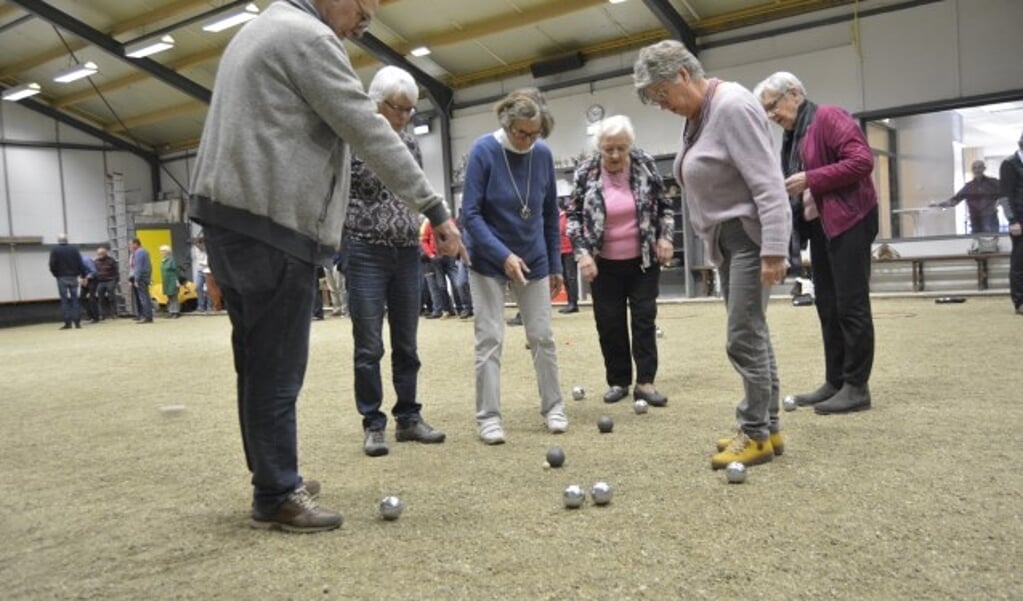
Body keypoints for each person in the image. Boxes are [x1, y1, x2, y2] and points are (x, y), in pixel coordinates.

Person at [188, 0, 464, 533]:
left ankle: (271, 473)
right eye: (364, 6)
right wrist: (434, 207)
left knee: (255, 356)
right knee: (278, 363)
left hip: (229, 218)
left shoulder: (260, 28)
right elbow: (368, 129)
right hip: (269, 224)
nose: (366, 21)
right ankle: (275, 492)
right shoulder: (309, 39)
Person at [634, 41, 790, 469]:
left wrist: (775, 249)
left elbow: (769, 183)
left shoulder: (732, 106)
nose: (662, 106)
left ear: (683, 75)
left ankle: (755, 433)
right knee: (753, 333)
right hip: (728, 241)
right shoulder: (699, 115)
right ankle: (769, 426)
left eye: (662, 95)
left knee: (742, 337)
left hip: (749, 239)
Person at [754, 71, 878, 415]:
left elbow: (862, 161)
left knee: (851, 305)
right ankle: (835, 381)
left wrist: (812, 178)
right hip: (823, 227)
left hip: (850, 221)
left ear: (794, 93)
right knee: (827, 305)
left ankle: (856, 387)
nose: (772, 116)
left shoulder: (829, 117)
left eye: (773, 106)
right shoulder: (793, 135)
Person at [342, 65, 447, 457]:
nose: (404, 118)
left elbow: (416, 190)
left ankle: (408, 418)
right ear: (376, 102)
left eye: (409, 111)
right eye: (397, 108)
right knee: (368, 346)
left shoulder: (410, 142)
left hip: (406, 251)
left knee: (407, 342)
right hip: (364, 248)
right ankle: (373, 423)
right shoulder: (353, 138)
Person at [461, 88, 567, 444]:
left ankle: (554, 407)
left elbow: (549, 214)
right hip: (489, 259)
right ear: (507, 124)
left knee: (542, 336)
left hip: (534, 257)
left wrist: (555, 265)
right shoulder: (483, 151)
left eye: (534, 134)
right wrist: (503, 255)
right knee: (489, 337)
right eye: (520, 133)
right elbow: (470, 214)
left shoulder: (543, 154)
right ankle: (488, 417)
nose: (526, 140)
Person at [566, 115, 674, 407]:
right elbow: (573, 217)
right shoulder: (586, 171)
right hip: (602, 263)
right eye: (608, 149)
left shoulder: (645, 164)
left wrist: (665, 237)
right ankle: (618, 381)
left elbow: (665, 206)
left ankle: (645, 382)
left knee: (643, 319)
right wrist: (583, 254)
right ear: (599, 146)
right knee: (610, 323)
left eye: (621, 149)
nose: (615, 155)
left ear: (631, 146)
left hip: (643, 261)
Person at [931, 160, 1001, 234]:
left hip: (990, 219)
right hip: (975, 221)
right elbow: (954, 201)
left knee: (992, 242)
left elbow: (1006, 195)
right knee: (976, 243)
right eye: (975, 168)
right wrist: (938, 205)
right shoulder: (969, 186)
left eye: (979, 167)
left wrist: (998, 203)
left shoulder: (993, 183)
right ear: (972, 170)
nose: (977, 170)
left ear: (984, 168)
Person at [999, 129, 1023, 315]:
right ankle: (1020, 302)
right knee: (1019, 262)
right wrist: (1012, 220)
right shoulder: (1009, 164)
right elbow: (1004, 196)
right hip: (1019, 220)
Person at [48, 233, 86, 330]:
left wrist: (56, 275)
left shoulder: (55, 250)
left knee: (64, 300)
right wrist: (83, 275)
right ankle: (77, 322)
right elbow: (80, 263)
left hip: (62, 277)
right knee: (75, 299)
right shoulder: (74, 249)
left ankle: (67, 323)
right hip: (73, 277)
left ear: (58, 240)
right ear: (67, 240)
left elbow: (52, 264)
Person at [557, 203, 579, 314]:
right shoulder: (558, 217)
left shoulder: (566, 217)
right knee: (566, 276)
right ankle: (570, 301)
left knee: (571, 277)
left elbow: (565, 231)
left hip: (569, 250)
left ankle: (573, 303)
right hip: (561, 250)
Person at [129, 238, 153, 324]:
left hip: (141, 278)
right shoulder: (144, 251)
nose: (129, 246)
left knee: (143, 298)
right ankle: (148, 316)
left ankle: (147, 317)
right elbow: (150, 266)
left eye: (131, 244)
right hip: (145, 277)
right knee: (145, 297)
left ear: (136, 244)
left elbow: (138, 267)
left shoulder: (138, 252)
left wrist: (136, 279)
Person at [94, 247, 119, 319]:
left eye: (101, 253)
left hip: (110, 280)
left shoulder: (111, 260)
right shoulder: (96, 261)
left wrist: (115, 281)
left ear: (105, 253)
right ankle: (102, 314)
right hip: (100, 282)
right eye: (98, 254)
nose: (99, 255)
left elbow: (116, 271)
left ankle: (114, 313)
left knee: (111, 297)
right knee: (100, 299)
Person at [159, 245, 181, 318]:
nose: (161, 253)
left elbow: (176, 271)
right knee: (169, 296)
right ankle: (171, 311)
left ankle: (176, 312)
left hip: (172, 280)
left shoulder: (171, 260)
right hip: (166, 281)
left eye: (162, 251)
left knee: (174, 296)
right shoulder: (163, 261)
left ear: (167, 252)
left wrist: (177, 281)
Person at [79, 251, 100, 324]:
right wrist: (81, 279)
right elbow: (80, 272)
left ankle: (96, 317)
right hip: (85, 279)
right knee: (82, 298)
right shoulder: (76, 262)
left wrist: (86, 278)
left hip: (93, 279)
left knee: (92, 298)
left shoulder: (86, 260)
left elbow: (94, 271)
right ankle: (90, 315)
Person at [193, 239, 210, 313]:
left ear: (203, 244)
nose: (198, 248)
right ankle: (201, 306)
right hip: (199, 271)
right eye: (196, 246)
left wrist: (202, 263)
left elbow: (208, 262)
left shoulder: (208, 250)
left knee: (209, 289)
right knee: (198, 287)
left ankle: (210, 306)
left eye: (199, 246)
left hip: (208, 271)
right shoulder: (195, 250)